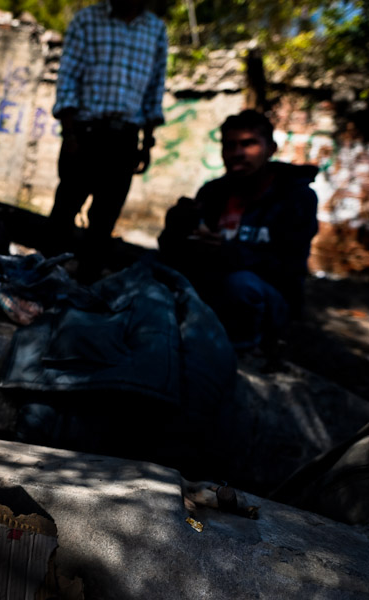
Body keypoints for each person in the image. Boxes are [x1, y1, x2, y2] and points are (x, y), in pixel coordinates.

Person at [158, 110, 319, 352]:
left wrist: (228, 252)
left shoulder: (296, 197)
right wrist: (176, 227)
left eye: (249, 144)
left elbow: (288, 265)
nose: (238, 153)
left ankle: (246, 352)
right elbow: (176, 254)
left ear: (271, 149)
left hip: (268, 297)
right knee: (153, 267)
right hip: (215, 292)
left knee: (241, 285)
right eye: (230, 145)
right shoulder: (213, 192)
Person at [49, 0, 168, 282]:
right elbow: (67, 79)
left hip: (125, 139)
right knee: (64, 212)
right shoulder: (87, 21)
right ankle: (45, 281)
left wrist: (147, 142)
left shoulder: (155, 29)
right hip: (85, 134)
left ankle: (84, 289)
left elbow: (155, 86)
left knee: (103, 222)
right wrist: (70, 135)